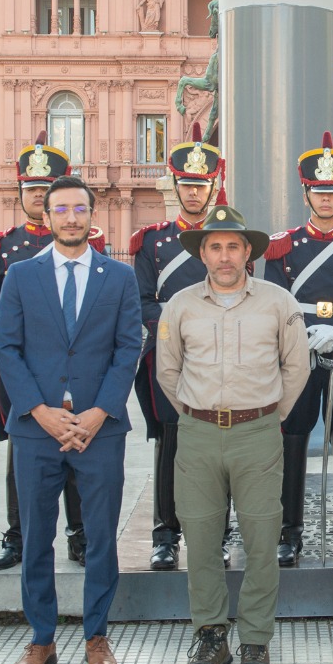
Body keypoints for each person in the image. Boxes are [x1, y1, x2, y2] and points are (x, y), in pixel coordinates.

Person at [0, 175, 142, 664]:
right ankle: (41, 638)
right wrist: (39, 410)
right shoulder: (21, 276)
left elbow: (128, 348)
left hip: (100, 429)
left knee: (100, 537)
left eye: (80, 208)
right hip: (37, 429)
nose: (71, 217)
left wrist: (100, 411)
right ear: (47, 216)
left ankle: (96, 635)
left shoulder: (118, 277)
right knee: (37, 537)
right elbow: (6, 348)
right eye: (61, 209)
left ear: (92, 214)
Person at [156, 204, 310, 664]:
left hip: (257, 433)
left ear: (248, 253)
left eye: (233, 247)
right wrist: (198, 413)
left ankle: (256, 638)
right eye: (215, 247)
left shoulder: (278, 302)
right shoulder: (179, 305)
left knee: (262, 539)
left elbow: (296, 367)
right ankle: (210, 634)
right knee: (201, 538)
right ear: (202, 254)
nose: (224, 256)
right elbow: (167, 370)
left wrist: (268, 416)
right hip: (198, 435)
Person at [0, 133, 105, 572]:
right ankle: (18, 535)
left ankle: (79, 534)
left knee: (77, 444)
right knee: (23, 452)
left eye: (45, 188)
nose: (37, 195)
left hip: (76, 370)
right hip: (23, 370)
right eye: (31, 188)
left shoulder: (89, 240)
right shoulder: (3, 246)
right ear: (21, 192)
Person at [263, 132, 333, 566]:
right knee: (292, 438)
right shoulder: (284, 246)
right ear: (306, 194)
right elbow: (275, 306)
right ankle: (289, 530)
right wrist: (303, 335)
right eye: (318, 191)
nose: (325, 199)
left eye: (332, 192)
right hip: (300, 354)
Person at [130, 123, 222, 570]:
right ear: (175, 186)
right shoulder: (152, 241)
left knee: (217, 448)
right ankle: (165, 535)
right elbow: (143, 300)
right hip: (168, 355)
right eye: (187, 185)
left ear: (212, 188)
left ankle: (217, 534)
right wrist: (178, 331)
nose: (193, 193)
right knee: (170, 443)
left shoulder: (226, 239)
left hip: (219, 357)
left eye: (200, 185)